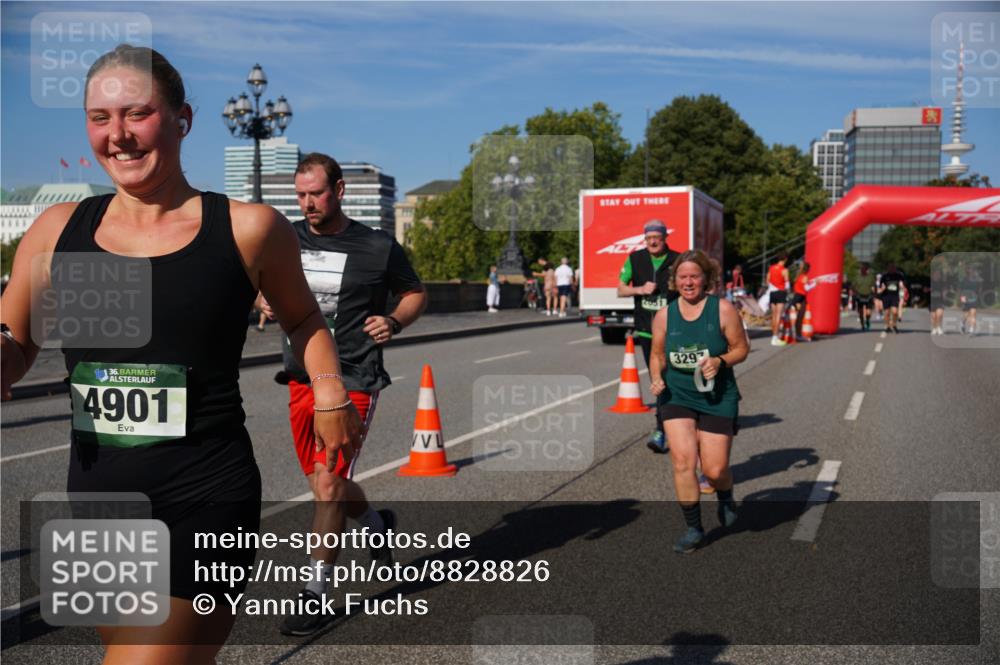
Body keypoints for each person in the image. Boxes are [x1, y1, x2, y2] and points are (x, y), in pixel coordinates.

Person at [0, 45, 362, 663]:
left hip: (203, 495)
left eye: (137, 113)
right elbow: (16, 343)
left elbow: (303, 317)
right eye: (99, 117)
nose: (117, 135)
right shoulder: (57, 230)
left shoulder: (247, 228)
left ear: (182, 119)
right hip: (96, 500)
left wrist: (328, 387)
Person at [260, 153, 427, 636]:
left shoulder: (377, 246)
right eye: (300, 195)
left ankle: (314, 594)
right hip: (299, 376)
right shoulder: (284, 237)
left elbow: (415, 292)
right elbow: (253, 279)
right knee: (323, 482)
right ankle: (376, 526)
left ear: (339, 191)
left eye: (316, 193)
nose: (308, 203)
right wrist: (260, 296)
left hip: (354, 376)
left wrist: (395, 319)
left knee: (329, 484)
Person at [648, 250, 749, 553]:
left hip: (717, 396)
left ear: (706, 279)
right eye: (683, 277)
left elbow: (741, 349)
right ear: (674, 280)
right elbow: (657, 353)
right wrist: (656, 377)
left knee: (715, 470)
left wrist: (720, 361)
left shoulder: (723, 310)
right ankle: (694, 528)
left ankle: (725, 494)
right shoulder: (665, 314)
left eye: (694, 276)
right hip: (677, 394)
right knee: (683, 461)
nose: (688, 282)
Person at [617, 219, 680, 454]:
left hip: (674, 330)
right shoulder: (636, 259)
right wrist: (639, 289)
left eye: (657, 237)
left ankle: (677, 422)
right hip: (646, 329)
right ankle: (661, 429)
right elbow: (620, 288)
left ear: (665, 238)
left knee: (674, 377)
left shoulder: (678, 259)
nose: (653, 241)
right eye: (649, 238)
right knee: (659, 379)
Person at [767, 252, 790, 346]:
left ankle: (774, 336)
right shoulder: (784, 270)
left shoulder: (771, 268)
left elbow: (767, 280)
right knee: (778, 315)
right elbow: (787, 284)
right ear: (785, 259)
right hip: (780, 292)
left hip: (772, 292)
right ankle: (775, 338)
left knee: (773, 315)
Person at [879, 263, 905, 334]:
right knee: (886, 313)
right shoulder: (884, 276)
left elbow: (902, 283)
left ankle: (894, 324)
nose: (892, 269)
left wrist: (902, 287)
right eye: (890, 268)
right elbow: (880, 285)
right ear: (888, 268)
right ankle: (887, 326)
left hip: (895, 296)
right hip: (886, 296)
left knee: (894, 311)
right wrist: (881, 290)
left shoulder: (899, 275)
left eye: (893, 268)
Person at [789, 262, 813, 339]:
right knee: (800, 316)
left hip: (797, 296)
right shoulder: (805, 277)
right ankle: (798, 334)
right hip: (801, 297)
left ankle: (797, 334)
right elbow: (806, 288)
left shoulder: (798, 276)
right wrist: (815, 284)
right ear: (808, 270)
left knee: (799, 316)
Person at [958, 264, 980, 336]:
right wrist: (962, 298)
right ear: (967, 271)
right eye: (970, 270)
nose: (972, 272)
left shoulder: (977, 280)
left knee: (973, 314)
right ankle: (962, 323)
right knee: (966, 315)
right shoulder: (963, 280)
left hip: (973, 299)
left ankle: (971, 330)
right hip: (965, 299)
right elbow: (960, 290)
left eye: (973, 270)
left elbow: (979, 289)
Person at [853, 263, 876, 331]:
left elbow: (874, 286)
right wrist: (855, 292)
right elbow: (853, 286)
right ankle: (862, 324)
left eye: (865, 269)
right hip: (859, 296)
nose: (863, 270)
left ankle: (868, 320)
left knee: (868, 312)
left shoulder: (870, 277)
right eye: (862, 269)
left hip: (868, 295)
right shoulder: (857, 277)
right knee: (860, 312)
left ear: (867, 270)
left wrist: (874, 293)